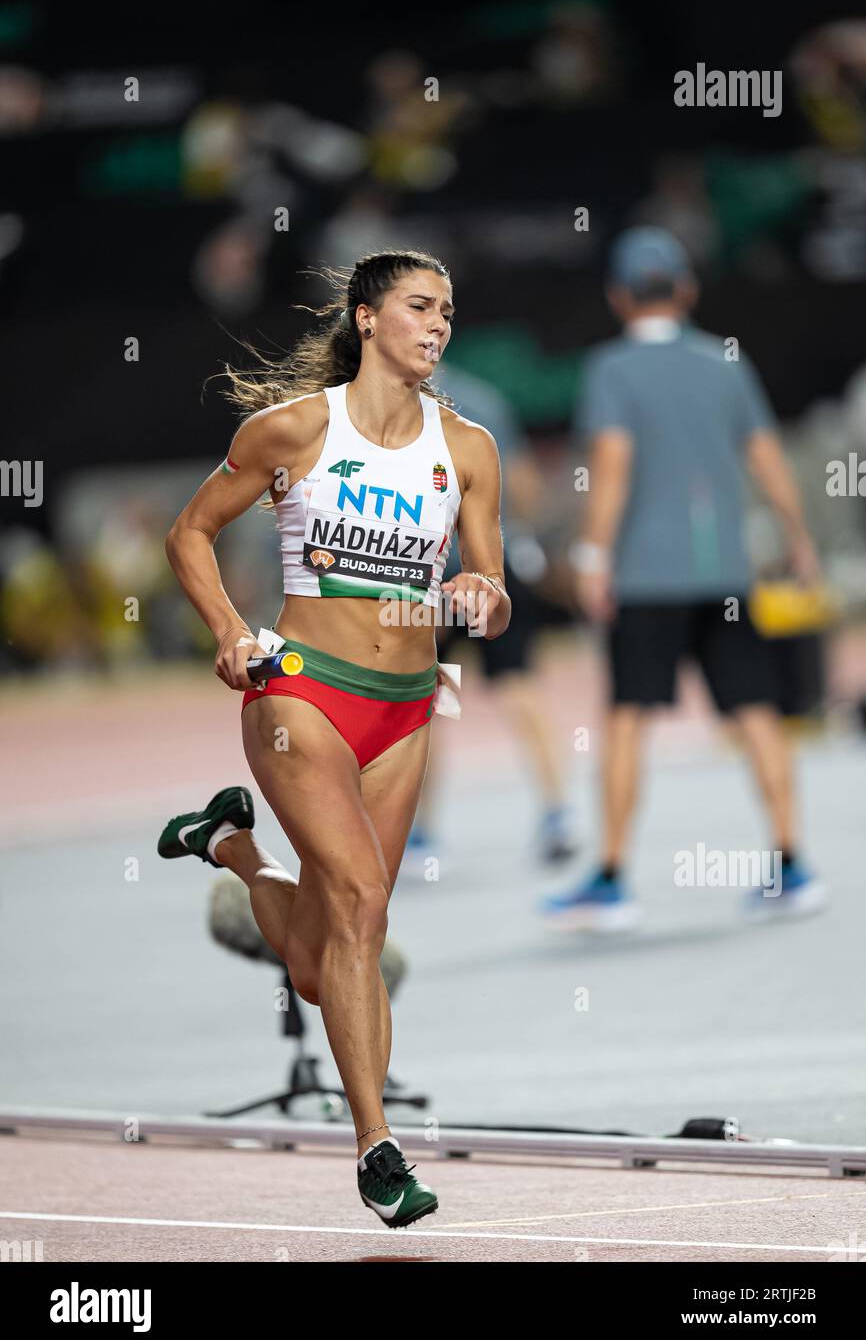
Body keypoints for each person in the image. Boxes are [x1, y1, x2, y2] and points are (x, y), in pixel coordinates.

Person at [157, 249, 511, 1225]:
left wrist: (484, 591)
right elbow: (189, 533)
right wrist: (231, 631)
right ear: (366, 318)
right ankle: (376, 1144)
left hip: (404, 705)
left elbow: (489, 582)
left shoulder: (468, 446)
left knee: (321, 963)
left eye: (446, 309)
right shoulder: (292, 431)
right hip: (299, 695)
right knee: (358, 906)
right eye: (415, 307)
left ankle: (227, 843)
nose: (435, 324)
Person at [543, 227, 827, 931]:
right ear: (688, 289)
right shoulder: (725, 361)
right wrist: (798, 538)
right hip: (725, 570)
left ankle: (611, 880)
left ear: (618, 296)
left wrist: (591, 558)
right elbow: (766, 457)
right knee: (755, 709)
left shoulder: (612, 369)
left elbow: (611, 471)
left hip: (645, 576)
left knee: (628, 718)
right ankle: (792, 862)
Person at [405, 359, 578, 872]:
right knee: (518, 685)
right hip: (490, 571)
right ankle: (557, 812)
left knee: (429, 700)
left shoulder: (380, 403)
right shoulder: (483, 398)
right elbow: (524, 486)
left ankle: (419, 834)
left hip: (424, 576)